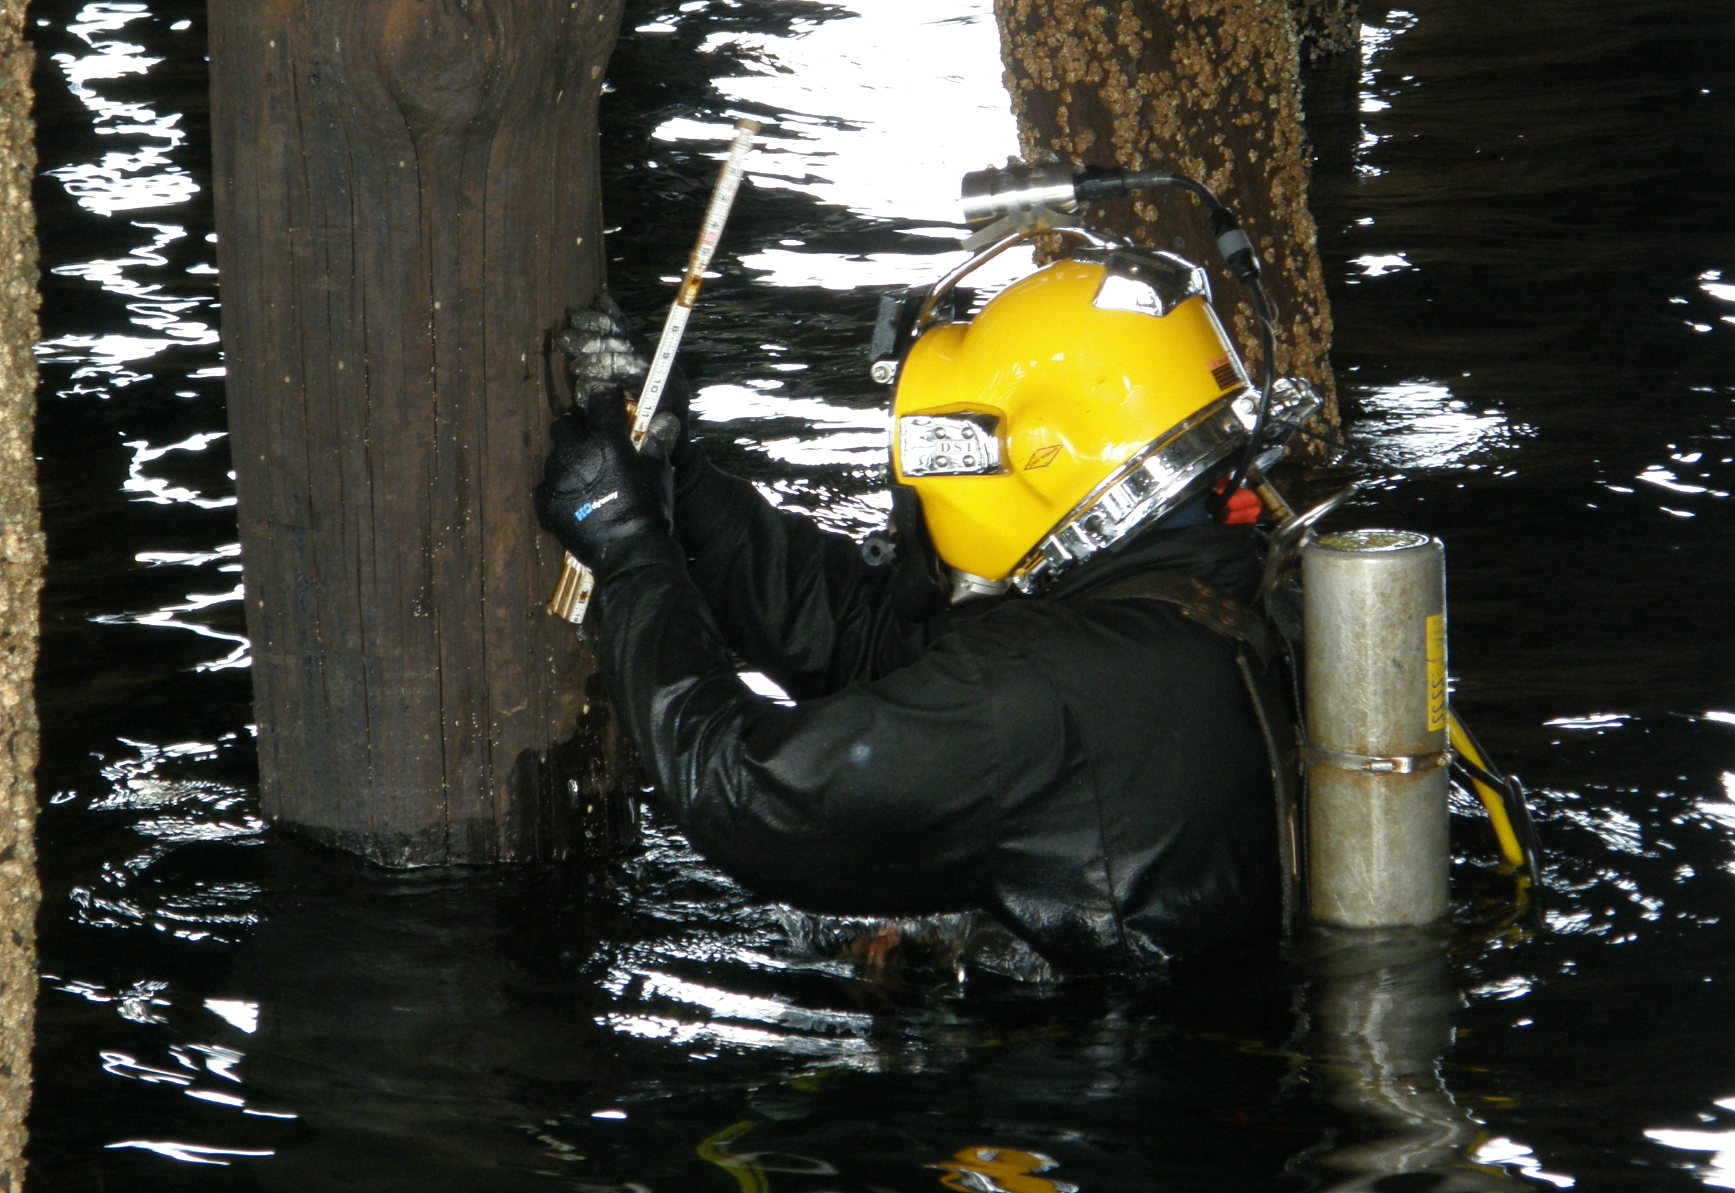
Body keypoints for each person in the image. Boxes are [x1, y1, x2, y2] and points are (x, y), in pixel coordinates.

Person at [535, 211, 1313, 977]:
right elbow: (872, 641)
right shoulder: (1213, 585)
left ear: (1037, 457)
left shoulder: (1045, 689)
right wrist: (679, 482)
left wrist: (630, 553)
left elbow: (743, 792)